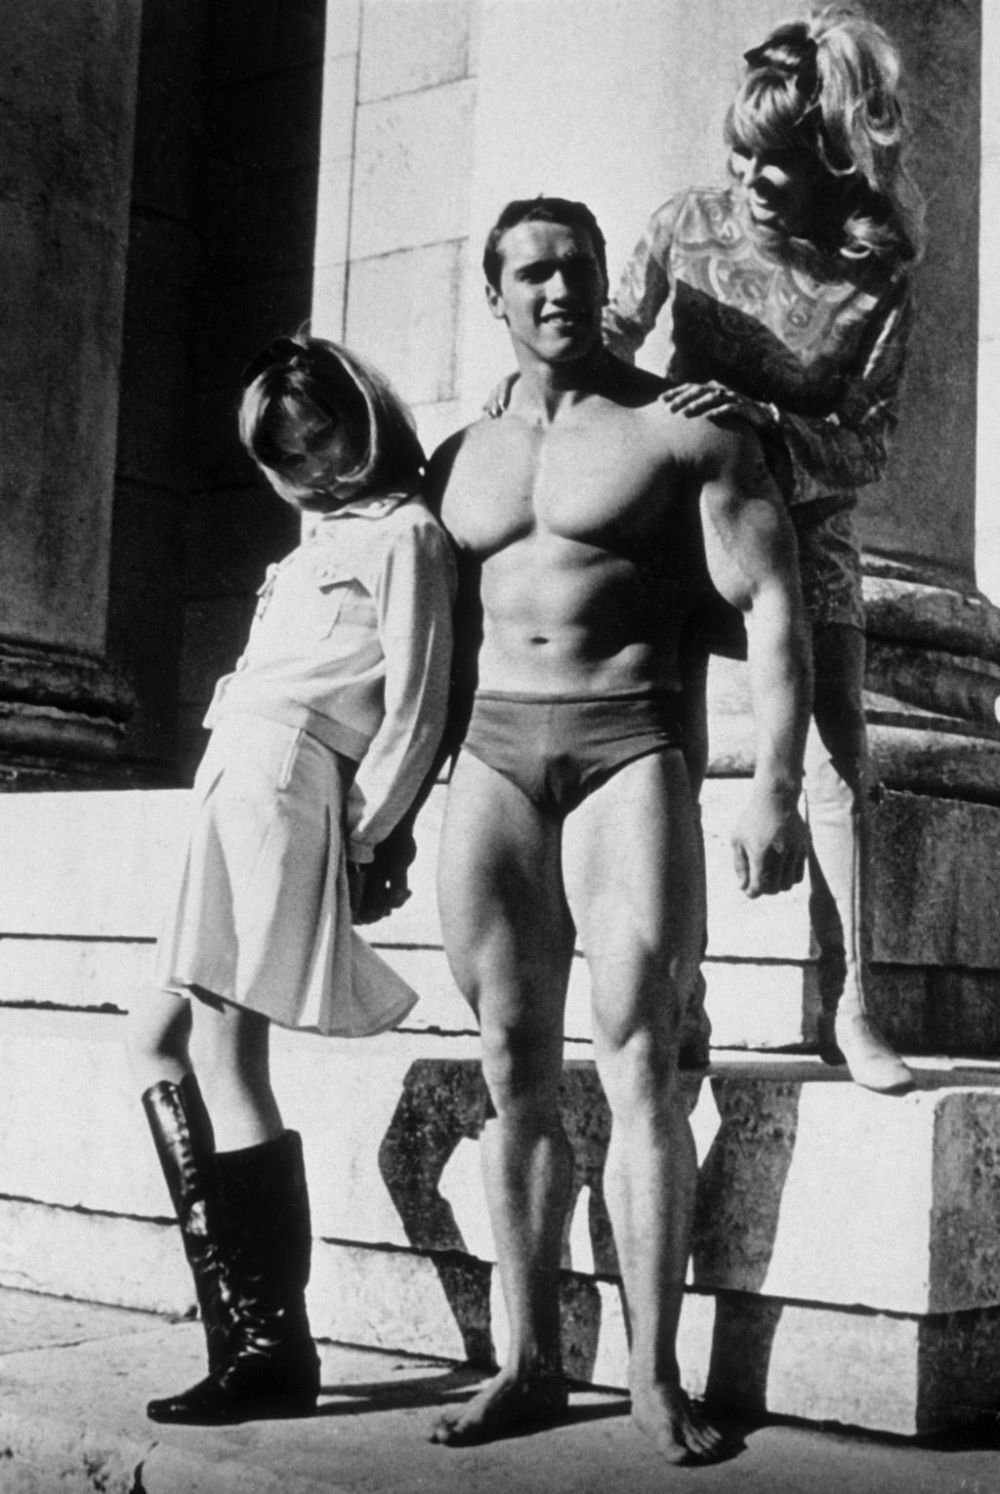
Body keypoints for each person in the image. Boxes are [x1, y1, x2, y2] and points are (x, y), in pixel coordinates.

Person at [425, 196, 811, 1463]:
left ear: (606, 283)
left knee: (642, 1058)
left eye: (578, 271)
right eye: (533, 272)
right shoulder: (459, 456)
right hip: (491, 761)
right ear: (493, 294)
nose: (559, 292)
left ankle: (652, 1373)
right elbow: (422, 636)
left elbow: (772, 602)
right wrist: (385, 811)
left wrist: (773, 787)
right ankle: (527, 1363)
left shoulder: (679, 429)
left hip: (626, 748)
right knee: (509, 1065)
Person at [127, 334, 455, 1425]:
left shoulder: (406, 532)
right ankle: (241, 1324)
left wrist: (369, 837)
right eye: (289, 454)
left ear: (369, 417)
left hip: (286, 779)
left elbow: (415, 707)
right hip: (236, 774)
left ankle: (273, 1347)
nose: (317, 467)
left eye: (328, 436)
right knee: (153, 1037)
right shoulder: (324, 540)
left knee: (228, 1052)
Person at [601, 3, 926, 1092]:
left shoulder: (877, 277)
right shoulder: (684, 223)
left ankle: (853, 1005)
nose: (747, 179)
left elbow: (868, 442)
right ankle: (681, 996)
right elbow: (610, 340)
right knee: (670, 746)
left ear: (832, 161)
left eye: (774, 163)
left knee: (842, 754)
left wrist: (766, 423)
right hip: (680, 515)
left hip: (809, 523)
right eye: (738, 153)